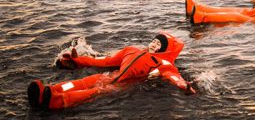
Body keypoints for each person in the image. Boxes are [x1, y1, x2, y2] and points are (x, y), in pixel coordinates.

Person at [27, 32, 195, 110]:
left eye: (159, 45)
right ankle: (51, 90)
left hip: (121, 85)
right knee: (82, 82)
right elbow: (105, 61)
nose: (153, 45)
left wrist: (184, 86)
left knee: (94, 91)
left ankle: (54, 101)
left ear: (164, 50)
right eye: (153, 41)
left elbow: (174, 76)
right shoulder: (131, 50)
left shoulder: (164, 63)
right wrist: (77, 61)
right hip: (108, 76)